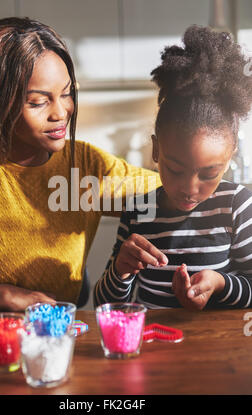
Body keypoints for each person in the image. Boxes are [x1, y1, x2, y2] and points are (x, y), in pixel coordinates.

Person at [0, 17, 161, 311]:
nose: (61, 113)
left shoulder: (86, 168)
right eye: (38, 102)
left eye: (66, 94)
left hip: (59, 339)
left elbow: (176, 189)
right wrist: (2, 296)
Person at [94, 25, 252, 310]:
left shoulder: (237, 206)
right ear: (156, 150)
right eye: (176, 170)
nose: (190, 189)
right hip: (155, 348)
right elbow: (105, 305)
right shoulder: (138, 210)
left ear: (230, 158)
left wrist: (220, 283)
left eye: (209, 174)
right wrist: (120, 271)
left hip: (218, 350)